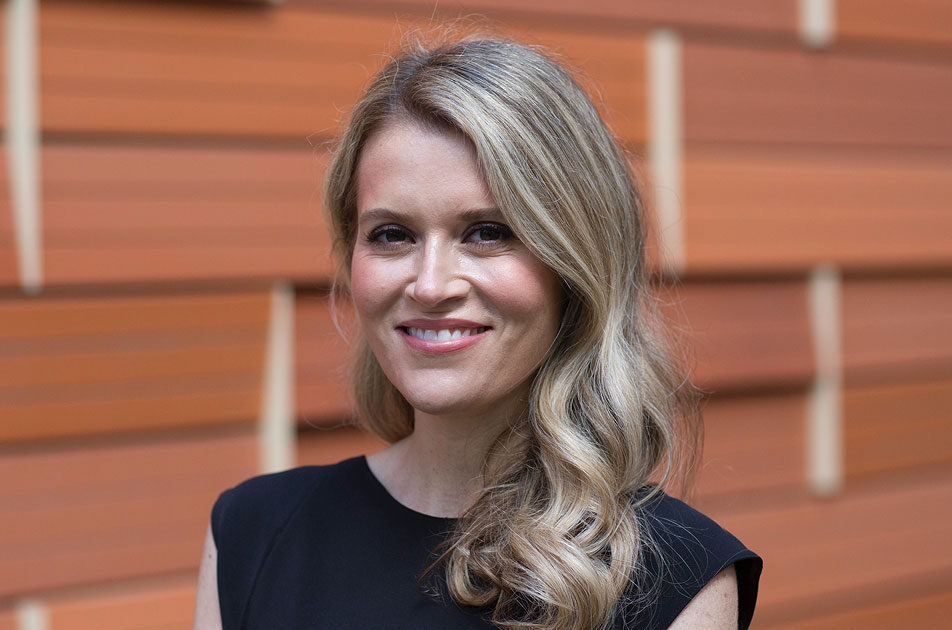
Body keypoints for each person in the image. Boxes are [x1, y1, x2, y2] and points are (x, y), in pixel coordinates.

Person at [194, 34, 761, 630]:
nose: (430, 285)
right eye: (392, 235)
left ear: (575, 264)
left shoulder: (674, 582)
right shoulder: (252, 533)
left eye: (487, 232)